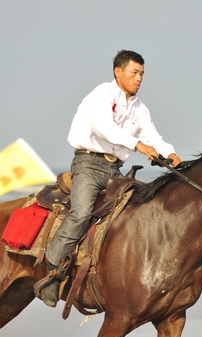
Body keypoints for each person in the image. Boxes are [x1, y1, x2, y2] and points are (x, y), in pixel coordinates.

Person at [35, 50, 181, 307]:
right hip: (88, 165)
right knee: (81, 213)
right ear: (118, 72)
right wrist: (137, 145)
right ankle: (51, 272)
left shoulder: (140, 108)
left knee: (137, 212)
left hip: (115, 171)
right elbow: (104, 128)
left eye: (142, 74)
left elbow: (152, 136)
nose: (139, 78)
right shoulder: (100, 95)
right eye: (134, 73)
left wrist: (168, 151)